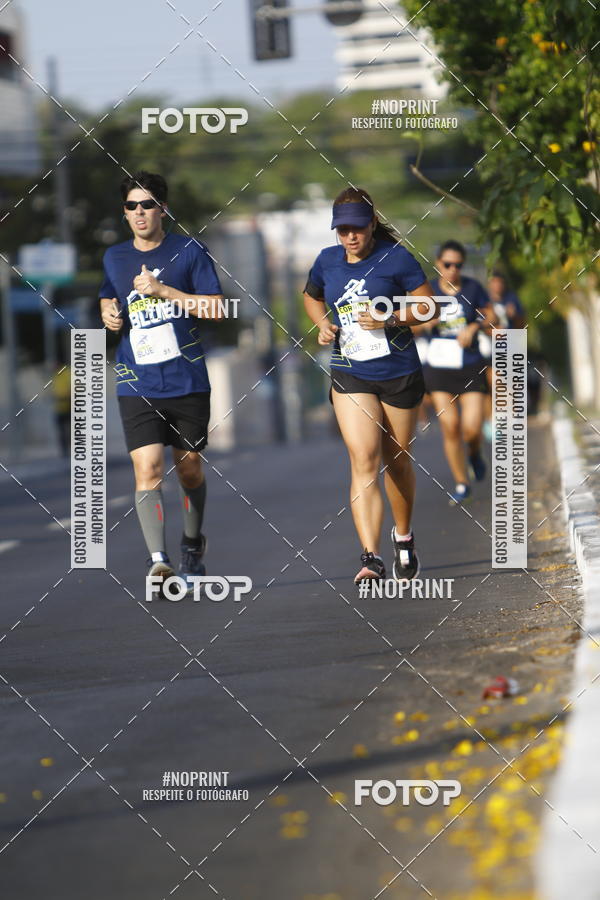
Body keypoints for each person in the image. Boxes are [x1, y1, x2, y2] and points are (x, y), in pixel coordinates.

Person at [303, 187, 436, 584]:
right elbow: (311, 297)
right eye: (342, 230)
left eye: (356, 228)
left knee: (397, 460)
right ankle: (371, 557)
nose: (350, 237)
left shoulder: (396, 258)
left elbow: (429, 309)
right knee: (364, 458)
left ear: (372, 223)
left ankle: (404, 536)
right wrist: (323, 323)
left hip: (398, 372)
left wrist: (389, 319)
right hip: (350, 372)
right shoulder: (326, 261)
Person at [99, 171, 224, 591]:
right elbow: (107, 294)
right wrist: (108, 313)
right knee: (147, 468)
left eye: (147, 204)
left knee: (188, 470)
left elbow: (217, 309)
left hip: (187, 381)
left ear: (163, 209)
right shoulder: (115, 257)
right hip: (136, 381)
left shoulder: (189, 251)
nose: (139, 212)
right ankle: (159, 561)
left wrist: (165, 291)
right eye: (131, 206)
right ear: (124, 213)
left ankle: (192, 543)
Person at [418, 241, 496, 505]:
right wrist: (425, 321)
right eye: (447, 264)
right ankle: (462, 484)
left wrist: (474, 327)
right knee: (450, 427)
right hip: (439, 368)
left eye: (458, 265)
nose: (452, 269)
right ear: (438, 263)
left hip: (470, 365)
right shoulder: (427, 290)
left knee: (471, 429)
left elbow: (490, 316)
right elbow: (409, 324)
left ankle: (474, 453)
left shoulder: (473, 288)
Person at [481, 270, 527, 439]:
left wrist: (513, 316)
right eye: (494, 282)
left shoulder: (512, 299)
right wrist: (492, 331)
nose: (497, 286)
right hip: (489, 351)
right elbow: (478, 324)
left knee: (508, 386)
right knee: (493, 385)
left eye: (500, 282)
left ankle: (509, 419)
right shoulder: (484, 301)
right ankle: (491, 421)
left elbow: (521, 324)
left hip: (509, 349)